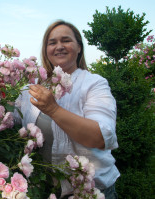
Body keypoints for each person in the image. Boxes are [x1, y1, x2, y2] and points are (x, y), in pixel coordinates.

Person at [13, 20, 120, 198]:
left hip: (91, 192)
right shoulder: (30, 89)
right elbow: (12, 123)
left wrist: (53, 109)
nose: (59, 46)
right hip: (44, 190)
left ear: (79, 47)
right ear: (46, 50)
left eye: (66, 40)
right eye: (52, 42)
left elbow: (102, 136)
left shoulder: (93, 84)